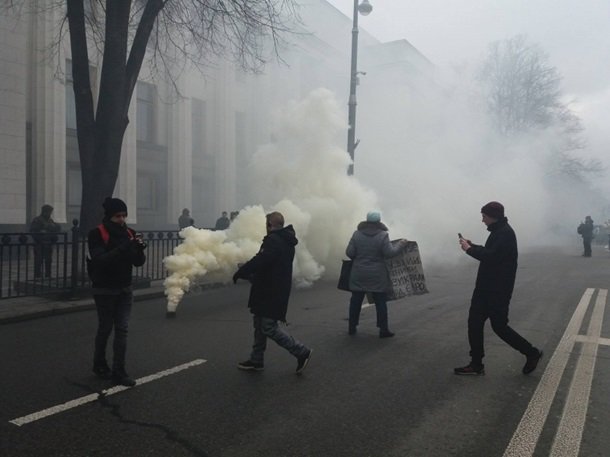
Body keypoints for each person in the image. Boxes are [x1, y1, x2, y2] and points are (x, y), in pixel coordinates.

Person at [455, 201, 543, 376]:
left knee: (500, 327)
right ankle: (476, 363)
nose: (482, 220)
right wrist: (472, 246)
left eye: (484, 217)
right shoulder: (499, 231)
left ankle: (531, 352)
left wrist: (469, 250)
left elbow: (491, 257)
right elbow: (490, 251)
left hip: (497, 291)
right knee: (474, 324)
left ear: (493, 217)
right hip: (486, 289)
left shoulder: (505, 234)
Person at [232, 211, 312, 374]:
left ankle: (301, 352)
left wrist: (243, 271)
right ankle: (256, 360)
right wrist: (249, 270)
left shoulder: (274, 240)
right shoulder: (284, 240)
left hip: (270, 290)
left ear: (269, 224)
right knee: (259, 324)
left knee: (268, 327)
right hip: (270, 288)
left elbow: (261, 260)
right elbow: (268, 263)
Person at [87, 197, 146, 387]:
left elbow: (138, 262)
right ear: (109, 216)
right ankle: (99, 364)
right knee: (105, 328)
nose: (121, 219)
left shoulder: (130, 233)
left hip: (124, 288)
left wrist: (139, 250)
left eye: (124, 215)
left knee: (122, 329)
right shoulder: (97, 233)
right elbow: (100, 260)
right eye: (117, 216)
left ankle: (119, 371)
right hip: (104, 289)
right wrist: (124, 247)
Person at [345, 211, 408, 338]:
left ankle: (352, 327)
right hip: (377, 275)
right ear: (379, 222)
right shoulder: (383, 235)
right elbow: (390, 253)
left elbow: (349, 253)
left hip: (359, 273)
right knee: (380, 302)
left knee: (356, 301)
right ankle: (383, 330)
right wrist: (401, 244)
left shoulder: (356, 234)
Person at [30, 204, 61, 278]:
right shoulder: (37, 220)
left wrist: (50, 229)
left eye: (50, 212)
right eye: (48, 212)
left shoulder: (50, 220)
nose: (49, 214)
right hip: (39, 244)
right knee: (38, 261)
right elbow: (33, 231)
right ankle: (37, 276)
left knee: (48, 261)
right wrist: (40, 237)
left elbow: (57, 228)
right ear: (44, 212)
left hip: (48, 243)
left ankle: (48, 275)